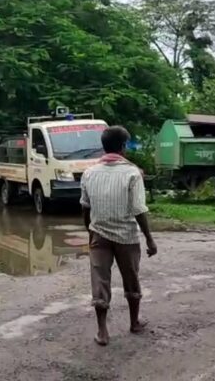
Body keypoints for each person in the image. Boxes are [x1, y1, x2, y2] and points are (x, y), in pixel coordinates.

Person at [80, 126, 158, 347]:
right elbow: (139, 210)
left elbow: (85, 207)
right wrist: (149, 238)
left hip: (99, 234)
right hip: (127, 237)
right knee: (131, 277)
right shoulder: (132, 173)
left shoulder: (89, 173)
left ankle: (102, 331)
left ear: (104, 146)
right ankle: (134, 322)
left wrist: (90, 231)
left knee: (100, 280)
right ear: (123, 146)